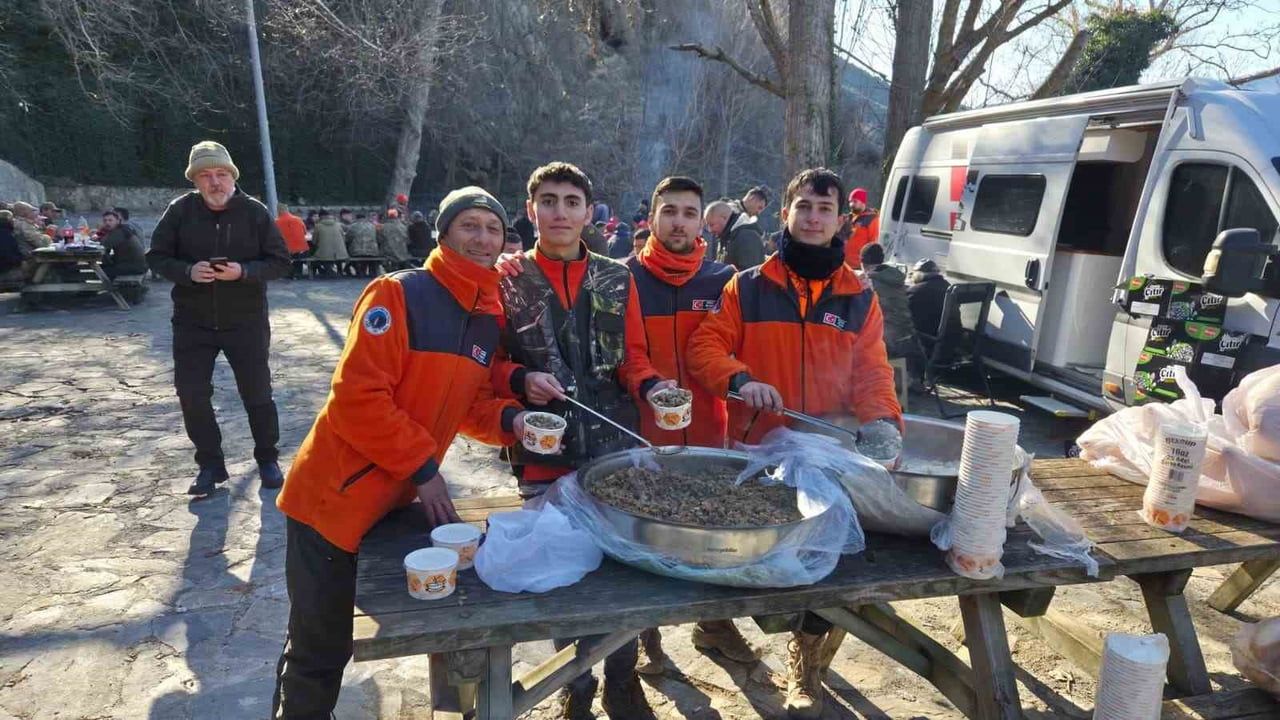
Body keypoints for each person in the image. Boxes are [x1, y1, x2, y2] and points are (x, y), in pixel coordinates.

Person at [272, 186, 529, 719]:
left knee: (448, 610)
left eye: (493, 228)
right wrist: (424, 468)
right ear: (443, 233)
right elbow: (356, 400)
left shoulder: (486, 317)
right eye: (469, 226)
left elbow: (467, 404)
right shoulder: (399, 294)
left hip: (392, 500)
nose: (482, 238)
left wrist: (513, 421)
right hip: (331, 501)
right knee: (320, 649)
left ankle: (458, 703)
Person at [688, 167, 902, 719]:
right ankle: (715, 627)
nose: (812, 218)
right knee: (745, 560)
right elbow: (705, 348)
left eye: (824, 210)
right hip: (757, 454)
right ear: (784, 213)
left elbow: (873, 373)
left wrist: (883, 425)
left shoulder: (860, 297)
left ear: (840, 221)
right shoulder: (750, 285)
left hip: (828, 457)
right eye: (803, 206)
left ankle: (807, 666)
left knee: (828, 563)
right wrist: (740, 379)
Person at [497, 161, 670, 719]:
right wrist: (520, 380)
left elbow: (634, 358)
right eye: (549, 200)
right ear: (531, 210)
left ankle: (622, 677)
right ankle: (576, 683)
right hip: (544, 448)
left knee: (619, 566)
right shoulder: (506, 279)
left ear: (589, 211)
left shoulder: (618, 278)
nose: (560, 212)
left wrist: (654, 387)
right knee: (558, 570)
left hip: (614, 442)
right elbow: (492, 362)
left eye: (572, 201)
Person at [624, 176, 759, 675]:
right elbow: (623, 356)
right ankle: (644, 636)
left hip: (707, 431)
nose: (679, 221)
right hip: (642, 433)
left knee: (711, 534)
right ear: (653, 218)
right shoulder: (624, 278)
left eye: (688, 212)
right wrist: (647, 385)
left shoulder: (723, 278)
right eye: (670, 212)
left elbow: (728, 350)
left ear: (703, 220)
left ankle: (715, 624)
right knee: (642, 539)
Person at [146, 140, 292, 495]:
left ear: (232, 176)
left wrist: (243, 271)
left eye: (221, 174)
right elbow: (156, 257)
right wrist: (187, 271)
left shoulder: (254, 212)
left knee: (257, 392)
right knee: (192, 394)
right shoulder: (179, 211)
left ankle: (267, 458)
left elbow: (281, 262)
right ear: (195, 181)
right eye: (206, 175)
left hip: (246, 320)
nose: (215, 182)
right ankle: (210, 465)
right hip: (192, 321)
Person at [860, 243, 922, 377]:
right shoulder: (896, 279)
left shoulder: (868, 282)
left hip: (886, 340)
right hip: (908, 336)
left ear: (864, 263)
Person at [907, 258, 955, 362]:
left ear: (919, 274)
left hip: (929, 343)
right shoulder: (948, 287)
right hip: (952, 342)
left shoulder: (915, 292)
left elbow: (904, 317)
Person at [704, 199, 764, 270]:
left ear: (724, 218)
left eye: (711, 225)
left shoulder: (747, 238)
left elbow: (749, 275)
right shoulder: (726, 237)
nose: (709, 230)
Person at [98, 209, 147, 280]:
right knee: (101, 268)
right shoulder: (123, 229)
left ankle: (108, 288)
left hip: (134, 267)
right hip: (135, 265)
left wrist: (101, 232)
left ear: (118, 221)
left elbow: (103, 246)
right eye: (105, 221)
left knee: (99, 272)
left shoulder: (119, 232)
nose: (107, 223)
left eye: (110, 220)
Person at [841, 187, 881, 269]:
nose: (851, 205)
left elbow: (872, 244)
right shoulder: (848, 218)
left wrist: (868, 266)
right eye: (850, 202)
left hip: (859, 266)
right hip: (843, 264)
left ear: (863, 202)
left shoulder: (872, 218)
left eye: (855, 201)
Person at [309, 208, 348, 277]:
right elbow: (344, 238)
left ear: (320, 217)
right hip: (340, 253)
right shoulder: (338, 225)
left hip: (324, 255)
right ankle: (338, 271)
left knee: (316, 255)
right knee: (333, 254)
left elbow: (314, 242)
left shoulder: (318, 226)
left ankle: (328, 271)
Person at [0, 209, 28, 285]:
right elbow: (7, 254)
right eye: (12, 218)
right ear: (8, 220)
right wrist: (21, 260)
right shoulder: (6, 235)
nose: (14, 221)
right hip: (6, 271)